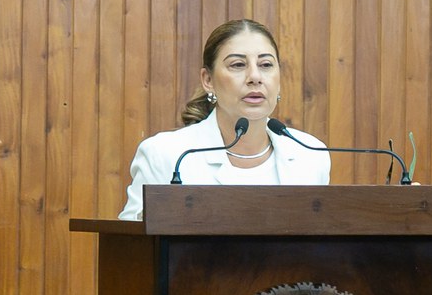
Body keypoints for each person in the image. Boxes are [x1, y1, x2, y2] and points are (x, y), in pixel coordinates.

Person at [118, 19, 331, 220]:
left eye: (266, 65)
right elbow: (133, 243)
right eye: (238, 65)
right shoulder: (166, 155)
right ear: (208, 80)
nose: (255, 77)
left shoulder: (310, 155)